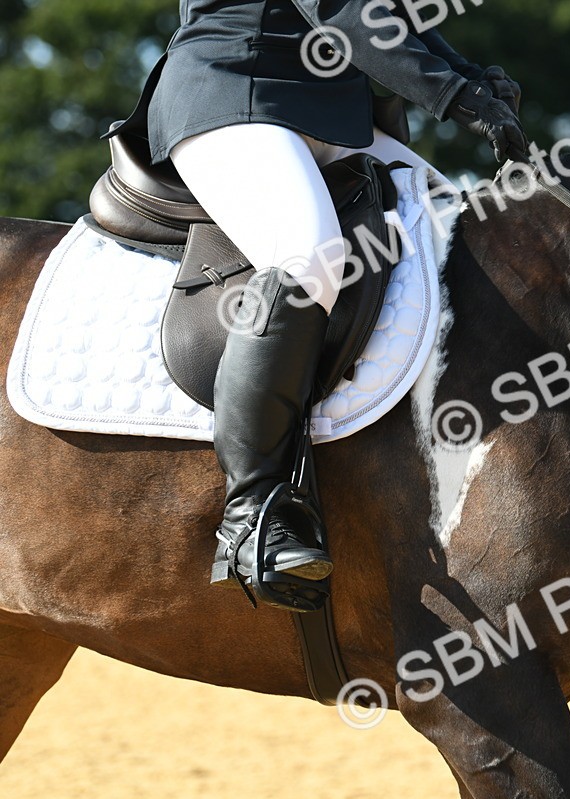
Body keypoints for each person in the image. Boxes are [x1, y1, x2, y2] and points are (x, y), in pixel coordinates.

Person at [106, 0, 527, 610]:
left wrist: (471, 76)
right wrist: (453, 94)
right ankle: (252, 516)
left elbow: (386, 14)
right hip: (234, 91)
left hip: (333, 115)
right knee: (310, 260)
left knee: (469, 234)